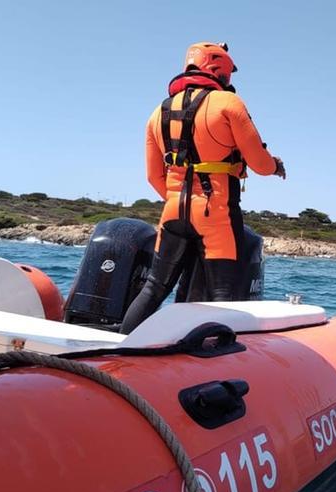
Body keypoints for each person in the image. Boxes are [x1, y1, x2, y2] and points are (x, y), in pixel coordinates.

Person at [121, 42, 285, 334]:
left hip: (173, 212)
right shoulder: (228, 104)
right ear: (218, 69)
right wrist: (275, 166)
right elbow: (259, 164)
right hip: (216, 213)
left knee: (154, 289)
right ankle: (218, 368)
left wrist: (178, 198)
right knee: (223, 298)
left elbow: (153, 176)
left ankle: (118, 354)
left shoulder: (157, 113)